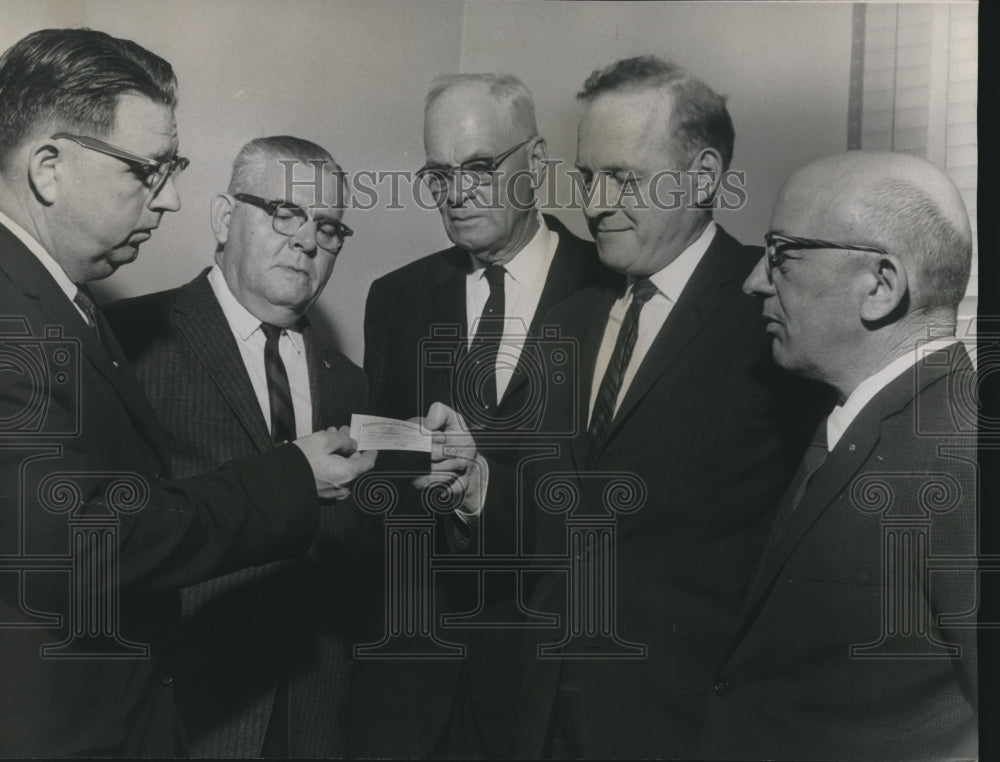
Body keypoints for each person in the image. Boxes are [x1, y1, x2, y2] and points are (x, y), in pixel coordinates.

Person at [425, 55, 823, 759]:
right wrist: (477, 482)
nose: (597, 202)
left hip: (689, 725)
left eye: (624, 178)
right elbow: (561, 518)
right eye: (587, 178)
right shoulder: (571, 321)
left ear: (702, 178)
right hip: (542, 717)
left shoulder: (771, 313)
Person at [0, 28, 373, 757]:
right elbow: (86, 542)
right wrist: (293, 476)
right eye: (147, 171)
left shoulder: (67, 307)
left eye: (327, 228)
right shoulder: (36, 319)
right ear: (48, 168)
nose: (168, 199)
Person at [354, 73, 608, 758]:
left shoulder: (612, 290)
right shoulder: (398, 298)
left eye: (478, 167)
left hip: (558, 684)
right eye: (439, 176)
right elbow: (385, 491)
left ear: (539, 161)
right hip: (415, 685)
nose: (457, 194)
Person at [698, 150, 978, 761]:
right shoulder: (861, 423)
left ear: (880, 285)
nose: (754, 280)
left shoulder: (962, 462)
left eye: (782, 255)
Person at [107, 136, 367, 758]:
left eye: (327, 227)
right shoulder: (132, 340)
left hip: (310, 718)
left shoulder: (349, 379)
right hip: (177, 716)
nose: (307, 240)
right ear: (225, 218)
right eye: (285, 212)